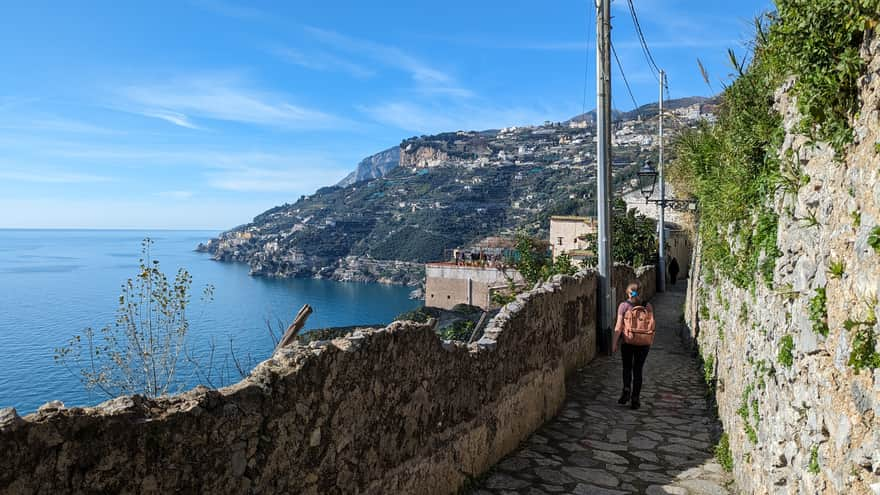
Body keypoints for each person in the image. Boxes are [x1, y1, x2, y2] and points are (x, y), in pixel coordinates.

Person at [611, 281, 653, 410]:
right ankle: (635, 398)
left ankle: (626, 391)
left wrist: (614, 343)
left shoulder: (623, 306)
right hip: (643, 342)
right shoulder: (648, 306)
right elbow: (651, 325)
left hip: (628, 341)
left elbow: (618, 327)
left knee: (627, 368)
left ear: (628, 293)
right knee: (638, 370)